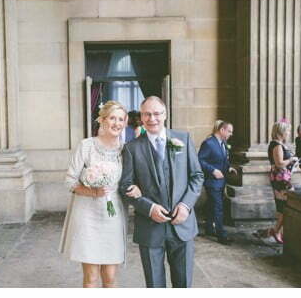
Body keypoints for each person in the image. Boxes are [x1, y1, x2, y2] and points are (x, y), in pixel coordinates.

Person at [117, 96, 204, 288]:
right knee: (154, 285)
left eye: (156, 113)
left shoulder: (183, 139)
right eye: (147, 114)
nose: (152, 118)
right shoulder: (132, 148)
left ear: (164, 114)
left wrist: (185, 206)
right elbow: (125, 186)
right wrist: (149, 208)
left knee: (183, 285)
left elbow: (197, 176)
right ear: (141, 117)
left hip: (182, 225)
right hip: (150, 228)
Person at [60, 101, 129, 288]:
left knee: (110, 277)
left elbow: (131, 182)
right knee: (91, 277)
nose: (117, 123)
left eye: (121, 119)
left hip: (112, 215)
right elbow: (70, 181)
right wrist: (93, 191)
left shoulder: (126, 150)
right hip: (87, 215)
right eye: (112, 118)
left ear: (125, 123)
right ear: (103, 120)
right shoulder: (86, 146)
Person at [198, 120, 236, 245]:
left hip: (221, 181)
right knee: (218, 207)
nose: (231, 134)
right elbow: (200, 161)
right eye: (229, 131)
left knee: (212, 205)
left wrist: (228, 167)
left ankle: (209, 228)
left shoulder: (223, 143)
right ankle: (221, 235)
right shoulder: (209, 143)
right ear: (222, 130)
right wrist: (213, 170)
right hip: (212, 181)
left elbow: (222, 158)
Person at [265, 120, 298, 244]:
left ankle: (278, 230)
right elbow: (279, 163)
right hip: (280, 179)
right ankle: (276, 230)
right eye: (288, 131)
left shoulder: (277, 144)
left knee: (282, 206)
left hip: (281, 177)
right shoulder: (277, 145)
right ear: (281, 132)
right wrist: (291, 160)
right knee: (286, 206)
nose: (289, 133)